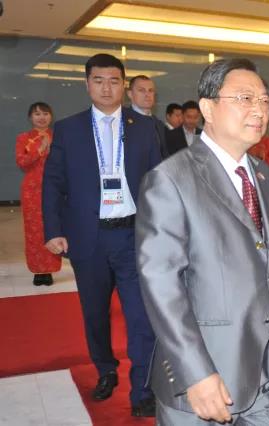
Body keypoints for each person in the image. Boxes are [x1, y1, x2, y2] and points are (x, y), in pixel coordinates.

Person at [136, 58, 269, 424]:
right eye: (245, 98)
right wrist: (196, 373)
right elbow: (162, 286)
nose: (259, 110)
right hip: (206, 375)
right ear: (207, 108)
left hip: (268, 371)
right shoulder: (171, 178)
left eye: (264, 100)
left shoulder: (265, 175)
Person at [42, 53, 160, 417]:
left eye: (113, 81)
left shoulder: (144, 128)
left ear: (123, 85)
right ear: (87, 84)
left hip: (133, 237)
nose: (106, 88)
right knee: (95, 314)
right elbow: (53, 182)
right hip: (88, 238)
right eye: (98, 81)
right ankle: (106, 370)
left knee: (142, 317)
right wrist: (53, 230)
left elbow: (159, 183)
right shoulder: (68, 129)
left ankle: (142, 389)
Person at [15, 102, 61, 286]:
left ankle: (49, 270)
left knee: (52, 228)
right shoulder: (23, 138)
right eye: (37, 114)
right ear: (30, 117)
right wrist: (40, 148)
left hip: (55, 188)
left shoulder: (58, 137)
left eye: (45, 113)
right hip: (32, 190)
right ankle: (37, 270)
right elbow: (22, 162)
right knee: (34, 230)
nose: (42, 117)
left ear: (51, 116)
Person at [126, 75, 167, 158]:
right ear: (130, 94)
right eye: (141, 90)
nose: (147, 94)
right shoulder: (122, 122)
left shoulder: (159, 125)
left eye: (151, 90)